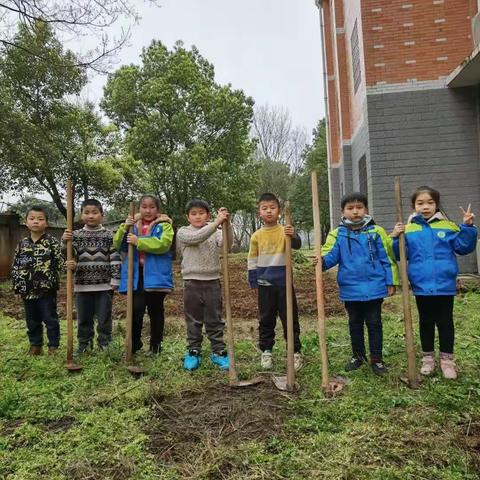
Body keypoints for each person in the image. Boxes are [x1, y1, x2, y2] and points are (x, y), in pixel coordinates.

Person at [391, 186, 476, 379]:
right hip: (422, 285)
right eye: (420, 203)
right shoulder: (409, 229)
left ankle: (447, 361)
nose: (425, 207)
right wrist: (396, 237)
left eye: (430, 202)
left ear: (436, 204)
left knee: (446, 322)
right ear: (414, 206)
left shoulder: (448, 227)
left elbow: (463, 247)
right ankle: (427, 359)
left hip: (444, 284)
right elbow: (398, 254)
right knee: (426, 322)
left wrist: (468, 227)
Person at [319, 192, 399, 375]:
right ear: (343, 212)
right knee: (354, 323)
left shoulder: (376, 231)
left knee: (374, 323)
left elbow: (387, 257)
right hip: (350, 288)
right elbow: (330, 256)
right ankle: (358, 356)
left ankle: (377, 359)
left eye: (359, 207)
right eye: (350, 208)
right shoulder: (337, 234)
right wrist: (321, 262)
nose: (355, 211)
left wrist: (391, 280)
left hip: (375, 287)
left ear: (366, 210)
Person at [248, 192, 303, 371]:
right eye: (265, 208)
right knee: (266, 319)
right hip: (265, 284)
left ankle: (295, 352)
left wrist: (293, 234)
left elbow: (297, 245)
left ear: (279, 211)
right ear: (259, 213)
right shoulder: (256, 235)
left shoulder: (285, 230)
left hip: (285, 283)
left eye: (272, 208)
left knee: (290, 319)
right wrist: (253, 280)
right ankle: (266, 351)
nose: (269, 211)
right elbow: (252, 259)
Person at [113, 195, 174, 355]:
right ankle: (134, 343)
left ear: (158, 209)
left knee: (155, 311)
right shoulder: (131, 225)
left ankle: (156, 346)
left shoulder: (165, 226)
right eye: (144, 206)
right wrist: (123, 228)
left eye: (152, 207)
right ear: (139, 208)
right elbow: (119, 245)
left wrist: (138, 241)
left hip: (156, 275)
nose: (148, 210)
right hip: (136, 275)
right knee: (135, 309)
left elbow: (163, 244)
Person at [176, 199, 232, 371]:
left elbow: (227, 246)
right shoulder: (183, 232)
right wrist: (217, 222)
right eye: (193, 214)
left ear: (207, 215)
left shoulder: (216, 231)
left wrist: (227, 225)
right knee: (193, 319)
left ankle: (219, 351)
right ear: (188, 217)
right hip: (191, 282)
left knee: (214, 318)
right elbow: (198, 237)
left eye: (201, 213)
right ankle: (193, 351)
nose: (198, 216)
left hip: (212, 281)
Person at [62, 199, 121, 354]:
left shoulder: (109, 235)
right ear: (81, 215)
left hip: (104, 285)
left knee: (104, 318)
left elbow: (115, 257)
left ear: (102, 214)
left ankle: (105, 344)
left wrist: (115, 278)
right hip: (82, 284)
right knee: (83, 319)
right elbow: (68, 255)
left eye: (95, 212)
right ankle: (84, 344)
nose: (91, 216)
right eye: (86, 212)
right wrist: (64, 242)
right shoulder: (75, 235)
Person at [12, 206, 63, 355]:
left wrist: (67, 265)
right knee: (32, 320)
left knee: (50, 318)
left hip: (47, 289)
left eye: (40, 219)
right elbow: (16, 265)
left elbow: (60, 263)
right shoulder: (22, 244)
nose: (36, 222)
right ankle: (35, 345)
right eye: (32, 218)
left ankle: (53, 346)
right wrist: (17, 287)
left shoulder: (52, 242)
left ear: (46, 223)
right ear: (26, 222)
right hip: (27, 290)